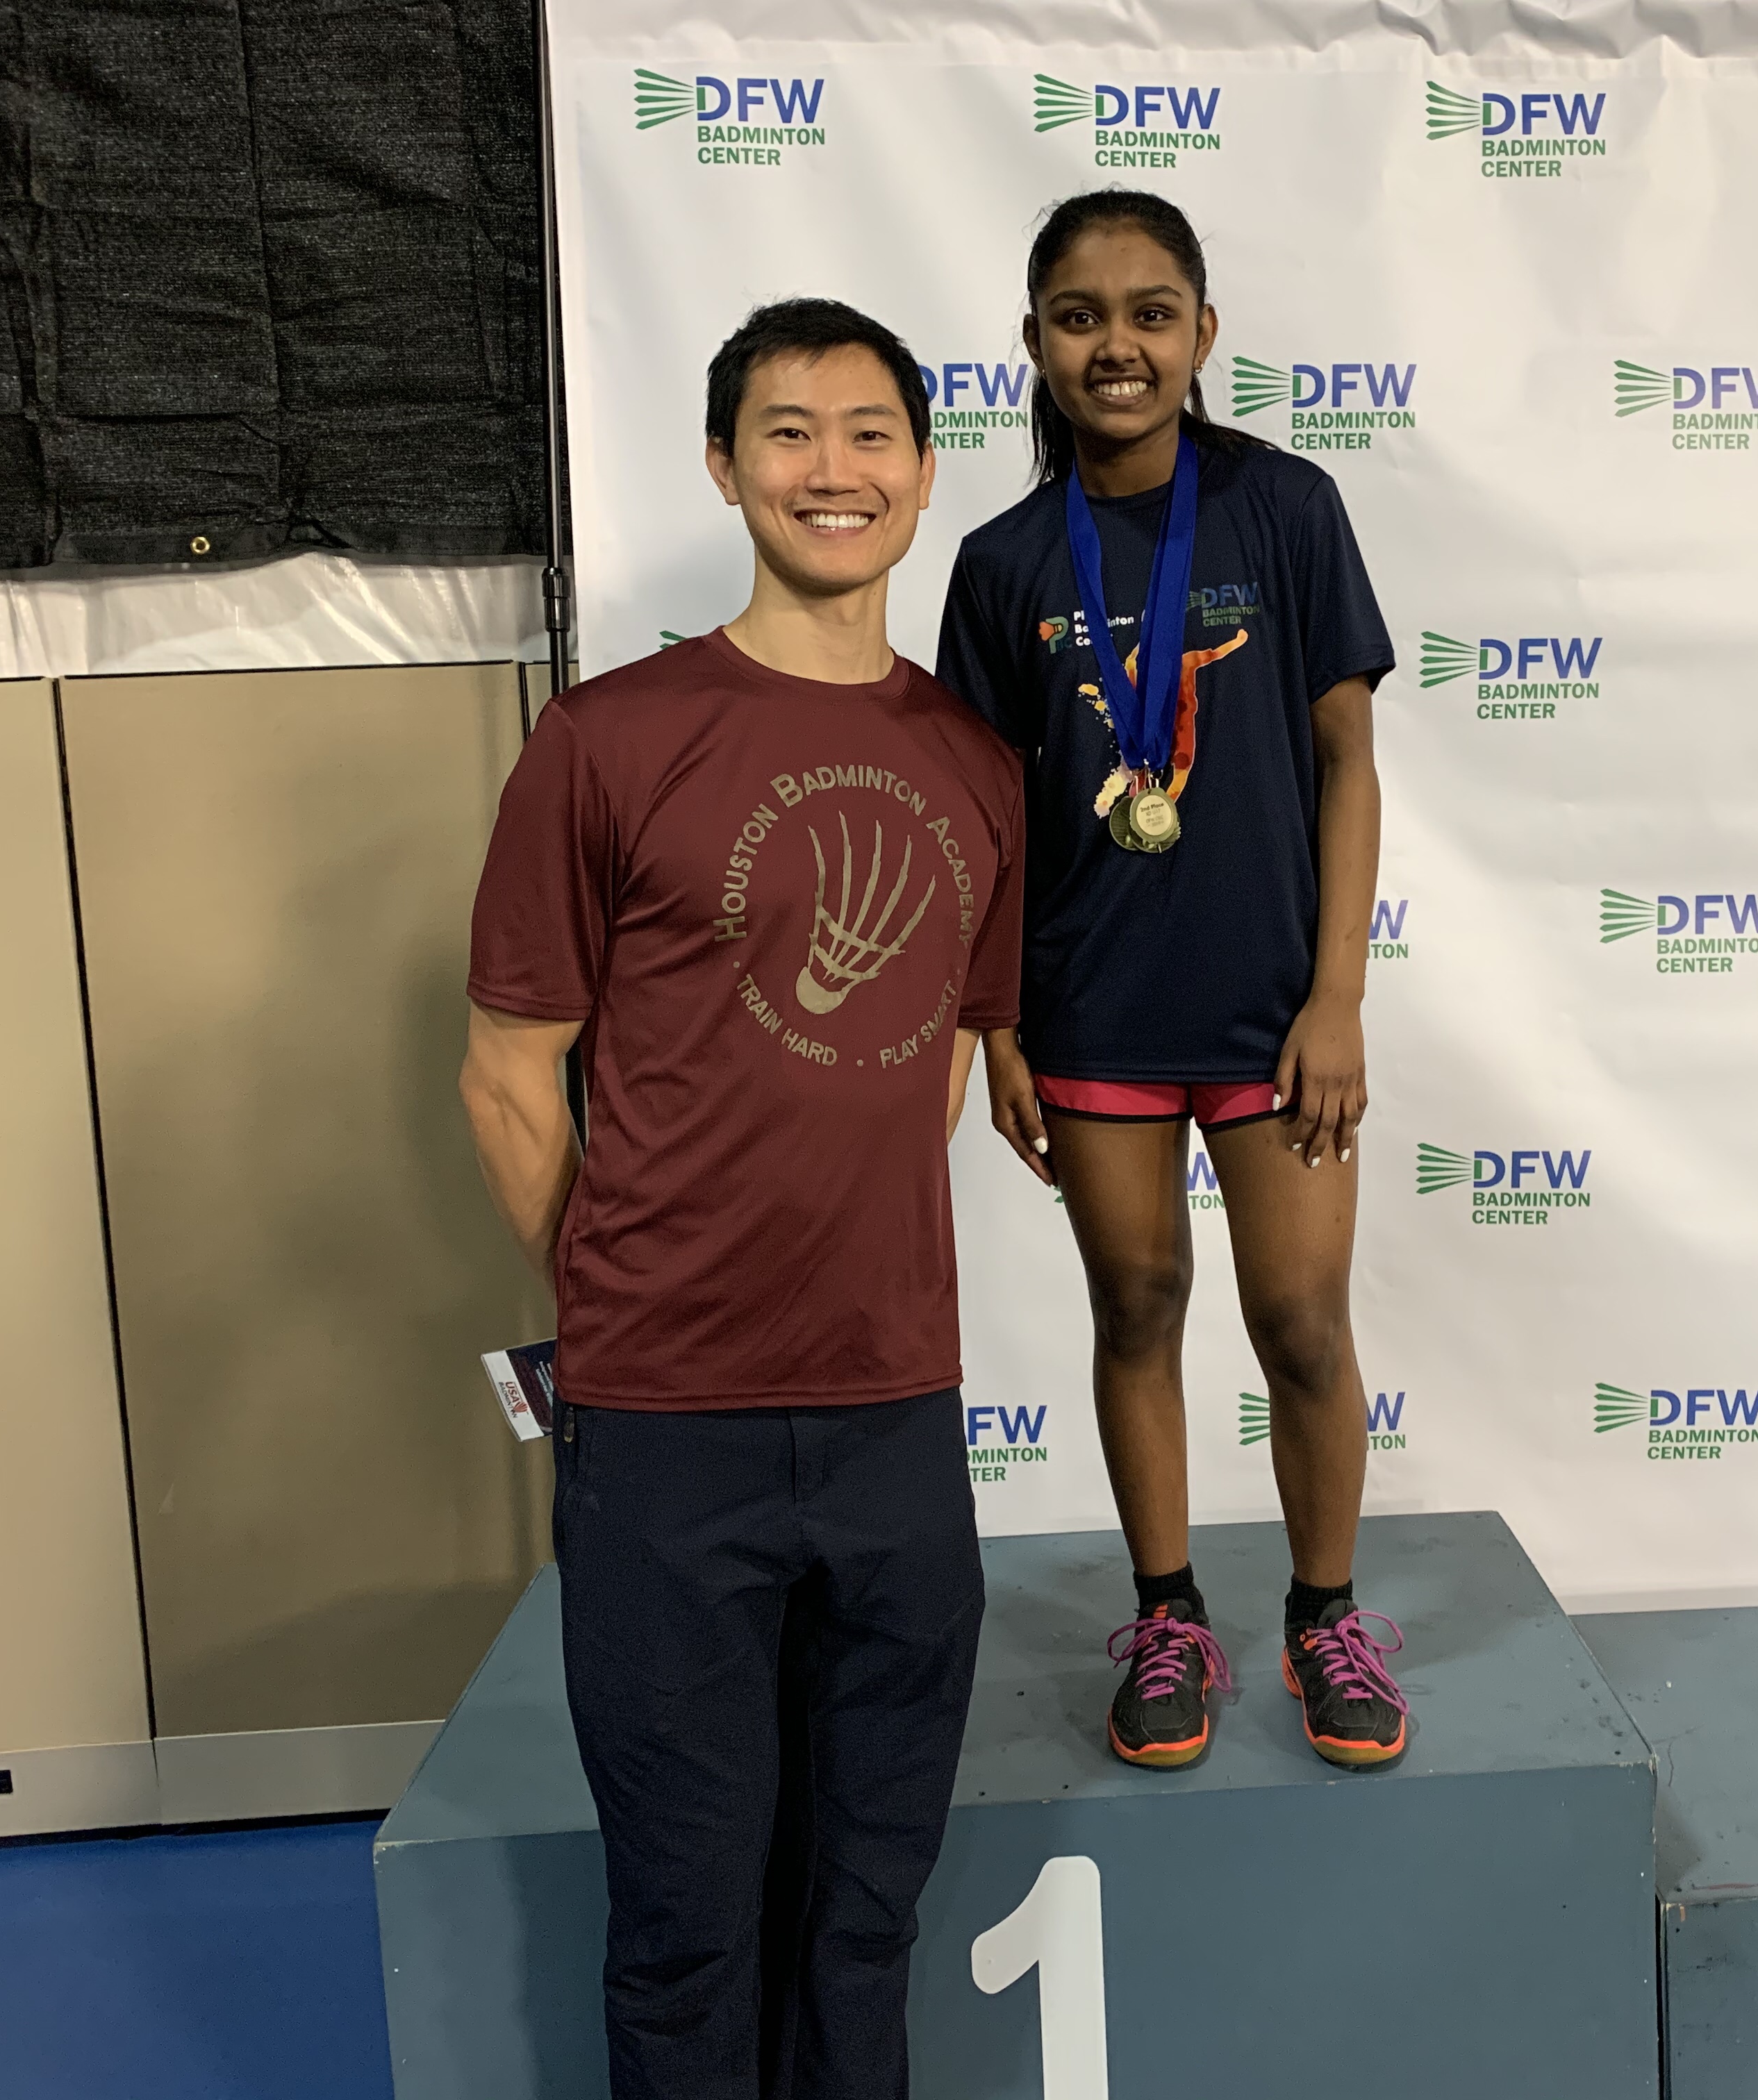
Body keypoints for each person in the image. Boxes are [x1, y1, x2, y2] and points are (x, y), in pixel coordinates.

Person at [459, 298, 1024, 2100]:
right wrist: (628, 1297)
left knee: (863, 1917)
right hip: (665, 1437)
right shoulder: (608, 741)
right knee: (688, 1926)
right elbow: (507, 1076)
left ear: (922, 473)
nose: (830, 469)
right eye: (788, 432)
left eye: (870, 433)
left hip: (895, 1424)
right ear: (723, 468)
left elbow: (941, 1060)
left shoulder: (977, 764)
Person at [937, 189, 1407, 1774]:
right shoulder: (1003, 564)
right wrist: (997, 1018)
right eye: (1080, 317)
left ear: (1204, 333)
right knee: (1135, 1306)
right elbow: (988, 820)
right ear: (1034, 342)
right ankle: (1168, 1615)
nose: (1117, 346)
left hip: (1274, 1016)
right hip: (1094, 1009)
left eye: (1151, 313)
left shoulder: (1283, 508)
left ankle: (1325, 1615)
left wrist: (1336, 998)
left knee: (1303, 1324)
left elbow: (1348, 762)